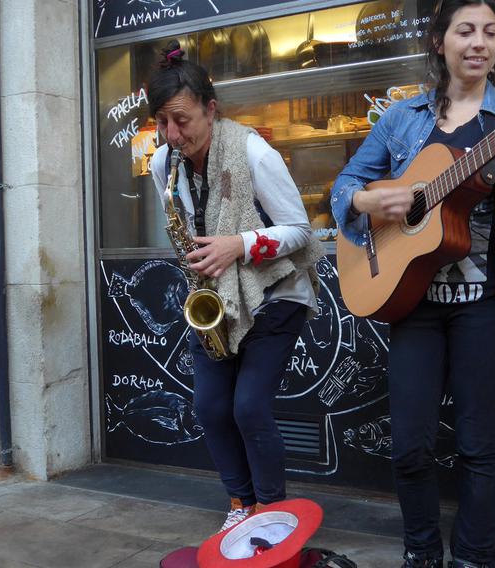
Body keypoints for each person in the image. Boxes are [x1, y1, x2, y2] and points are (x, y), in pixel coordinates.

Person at [331, 2, 495, 567]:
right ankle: (421, 554)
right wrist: (364, 199)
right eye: (465, 31)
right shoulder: (402, 118)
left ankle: (472, 557)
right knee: (410, 445)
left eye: (490, 33)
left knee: (476, 446)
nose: (478, 43)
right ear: (440, 41)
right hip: (413, 306)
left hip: (487, 304)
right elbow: (345, 186)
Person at [147, 40, 324, 533]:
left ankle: (271, 513)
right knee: (209, 405)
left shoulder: (252, 150)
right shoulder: (165, 163)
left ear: (211, 108)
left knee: (249, 406)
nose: (171, 134)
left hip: (276, 293)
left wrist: (238, 245)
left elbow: (300, 230)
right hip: (217, 301)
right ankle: (239, 505)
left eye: (181, 120)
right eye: (161, 122)